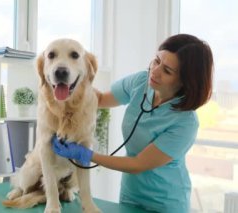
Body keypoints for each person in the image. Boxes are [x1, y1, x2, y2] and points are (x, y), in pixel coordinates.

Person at [51, 34, 214, 212]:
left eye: (167, 71)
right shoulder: (141, 82)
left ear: (185, 81)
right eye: (156, 60)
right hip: (131, 195)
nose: (155, 71)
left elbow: (138, 164)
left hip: (166, 203)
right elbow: (101, 99)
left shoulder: (185, 123)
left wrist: (86, 154)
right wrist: (72, 82)